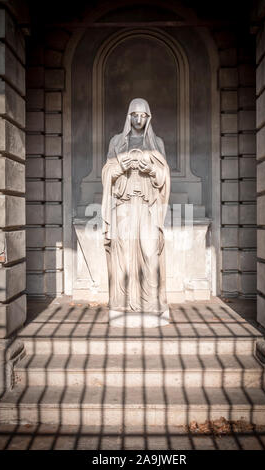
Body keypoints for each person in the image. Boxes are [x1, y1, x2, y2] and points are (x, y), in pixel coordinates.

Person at [101, 98, 170, 327]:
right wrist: (122, 165)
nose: (138, 119)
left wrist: (150, 168)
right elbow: (107, 173)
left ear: (148, 118)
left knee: (150, 252)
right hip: (123, 206)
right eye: (134, 115)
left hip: (148, 206)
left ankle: (151, 304)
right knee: (123, 255)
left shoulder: (156, 142)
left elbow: (164, 177)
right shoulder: (117, 142)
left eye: (143, 115)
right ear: (128, 116)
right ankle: (121, 303)